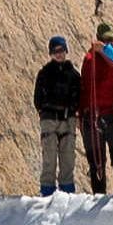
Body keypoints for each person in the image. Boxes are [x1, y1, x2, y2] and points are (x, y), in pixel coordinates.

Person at [77, 25, 113, 195]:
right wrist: (82, 114)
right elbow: (85, 88)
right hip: (94, 117)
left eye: (110, 40)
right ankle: (99, 196)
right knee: (96, 162)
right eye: (105, 40)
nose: (108, 44)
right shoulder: (90, 59)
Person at [28, 36, 87, 194]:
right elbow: (37, 98)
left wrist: (74, 111)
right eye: (55, 51)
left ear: (66, 51)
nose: (59, 54)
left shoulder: (73, 74)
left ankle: (67, 190)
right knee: (49, 156)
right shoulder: (44, 73)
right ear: (51, 53)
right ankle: (47, 191)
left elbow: (79, 95)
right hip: (49, 118)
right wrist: (43, 111)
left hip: (68, 118)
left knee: (68, 157)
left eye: (61, 50)